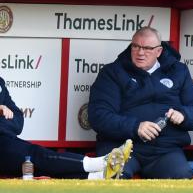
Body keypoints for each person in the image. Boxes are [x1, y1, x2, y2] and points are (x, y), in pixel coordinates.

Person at [88, 26, 193, 179]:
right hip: (122, 146)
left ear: (158, 51)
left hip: (165, 149)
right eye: (136, 46)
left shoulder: (178, 71)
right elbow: (98, 115)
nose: (140, 52)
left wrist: (184, 115)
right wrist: (135, 127)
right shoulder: (112, 72)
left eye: (147, 48)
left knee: (180, 177)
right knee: (117, 175)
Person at [0, 76, 133, 179]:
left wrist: (3, 122)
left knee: (37, 164)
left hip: (5, 140)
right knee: (36, 155)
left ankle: (96, 176)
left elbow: (18, 122)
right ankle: (101, 163)